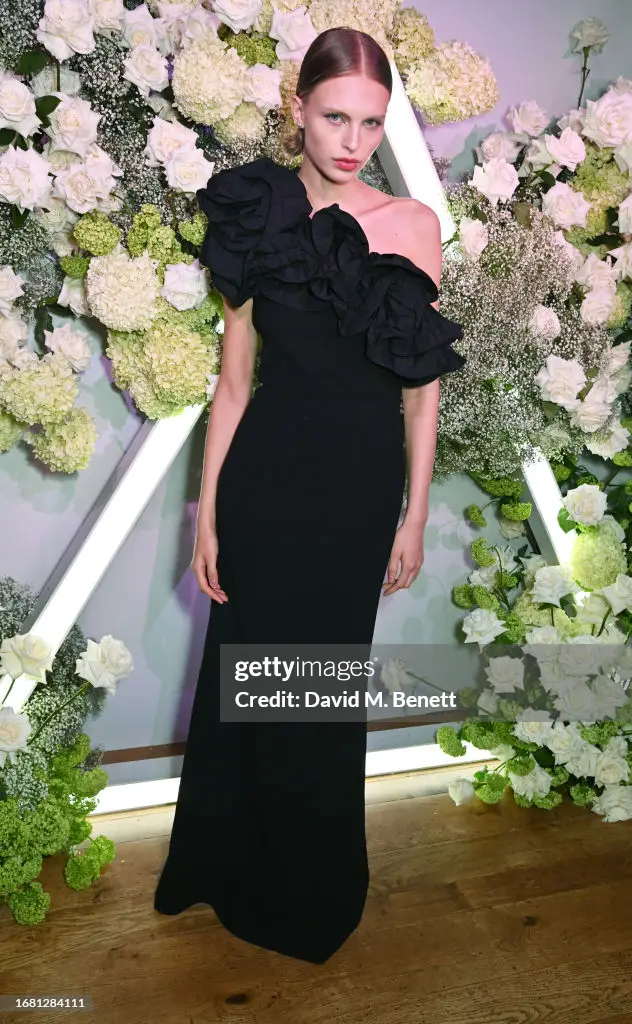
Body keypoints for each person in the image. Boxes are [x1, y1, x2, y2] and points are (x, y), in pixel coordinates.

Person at [154, 26, 466, 963]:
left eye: (371, 123)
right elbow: (233, 384)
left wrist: (415, 512)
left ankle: (311, 888)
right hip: (266, 485)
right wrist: (209, 512)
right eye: (335, 118)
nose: (353, 141)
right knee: (248, 679)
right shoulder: (257, 212)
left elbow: (422, 392)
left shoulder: (414, 225)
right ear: (298, 109)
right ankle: (227, 864)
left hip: (358, 492)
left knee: (318, 692)